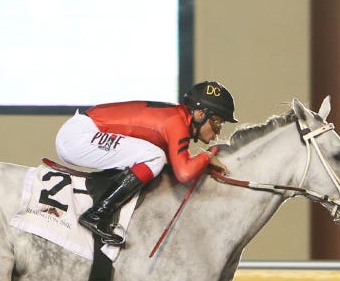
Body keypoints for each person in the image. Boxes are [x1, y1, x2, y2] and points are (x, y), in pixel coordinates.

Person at [54, 80, 237, 246]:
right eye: (217, 122)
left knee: (156, 158)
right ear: (199, 114)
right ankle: (96, 214)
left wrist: (201, 163)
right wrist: (206, 157)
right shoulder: (177, 123)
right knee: (155, 157)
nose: (218, 132)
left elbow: (177, 166)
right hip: (78, 137)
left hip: (83, 132)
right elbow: (184, 173)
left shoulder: (178, 118)